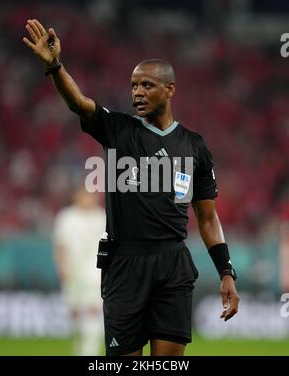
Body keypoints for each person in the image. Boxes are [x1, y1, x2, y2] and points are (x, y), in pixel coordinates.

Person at [23, 19, 239, 356]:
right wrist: (55, 67)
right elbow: (79, 103)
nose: (137, 92)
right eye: (133, 85)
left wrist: (226, 272)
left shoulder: (195, 147)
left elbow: (208, 219)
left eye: (147, 85)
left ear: (170, 89)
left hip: (173, 264)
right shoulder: (118, 130)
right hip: (125, 265)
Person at [53, 187, 106, 355]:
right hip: (72, 271)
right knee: (74, 311)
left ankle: (89, 352)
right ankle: (79, 343)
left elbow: (107, 246)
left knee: (93, 310)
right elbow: (60, 245)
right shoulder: (66, 217)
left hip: (94, 273)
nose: (88, 199)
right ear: (76, 196)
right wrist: (62, 266)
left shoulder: (101, 217)